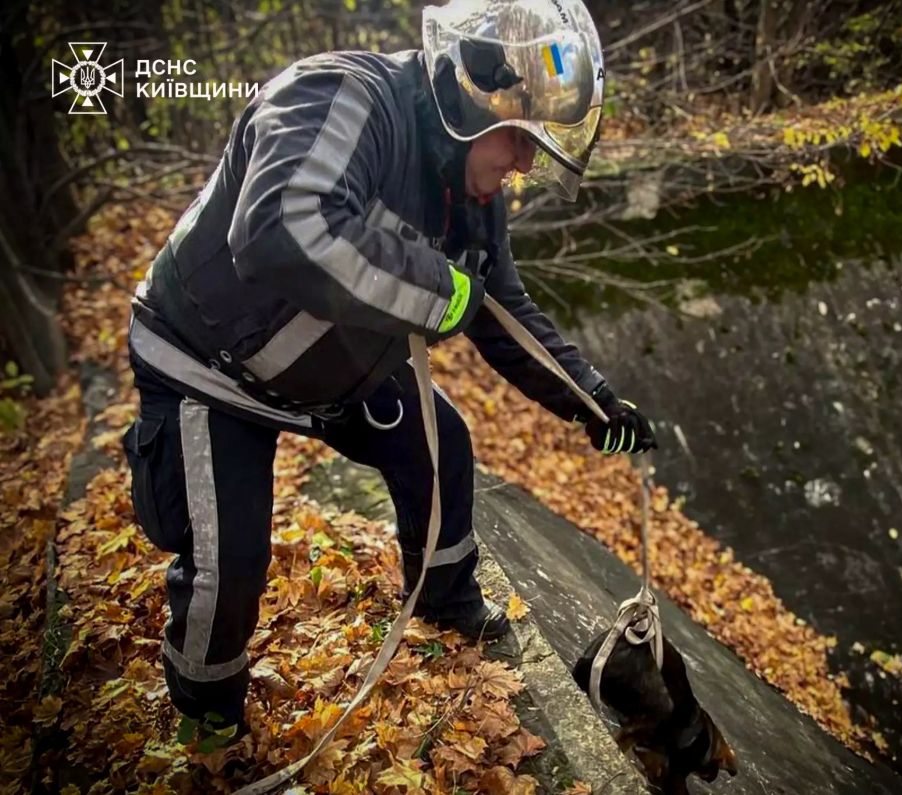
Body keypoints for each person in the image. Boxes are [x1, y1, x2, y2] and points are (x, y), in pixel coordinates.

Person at [122, 0, 657, 747]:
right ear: (473, 92)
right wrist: (440, 292)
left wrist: (593, 401)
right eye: (519, 138)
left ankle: (443, 599)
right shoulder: (340, 95)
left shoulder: (469, 198)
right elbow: (286, 226)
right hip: (210, 365)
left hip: (337, 364)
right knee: (228, 562)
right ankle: (207, 719)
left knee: (442, 444)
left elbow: (499, 310)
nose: (525, 164)